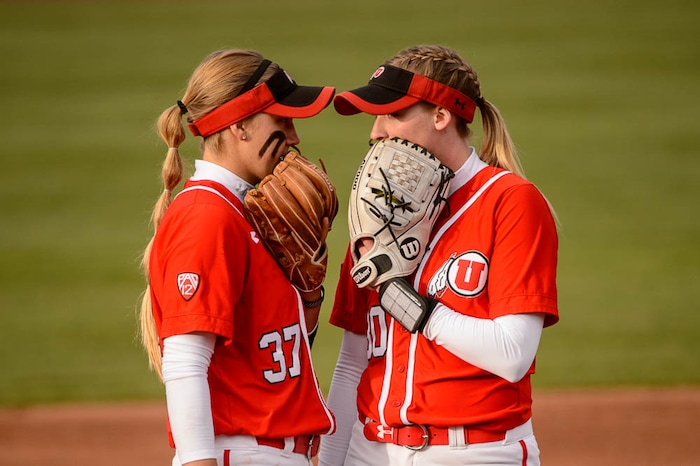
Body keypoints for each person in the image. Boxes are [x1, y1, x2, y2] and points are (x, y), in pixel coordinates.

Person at [318, 44, 559, 466]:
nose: (375, 132)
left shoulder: (510, 202)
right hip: (369, 449)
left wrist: (413, 307)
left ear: (441, 116)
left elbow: (513, 354)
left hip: (475, 452)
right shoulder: (376, 214)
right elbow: (351, 364)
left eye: (391, 114)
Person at [138, 49, 336, 466]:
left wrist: (310, 292)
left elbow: (274, 358)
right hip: (242, 454)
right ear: (239, 125)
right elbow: (185, 361)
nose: (295, 137)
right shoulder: (206, 216)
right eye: (281, 120)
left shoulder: (251, 213)